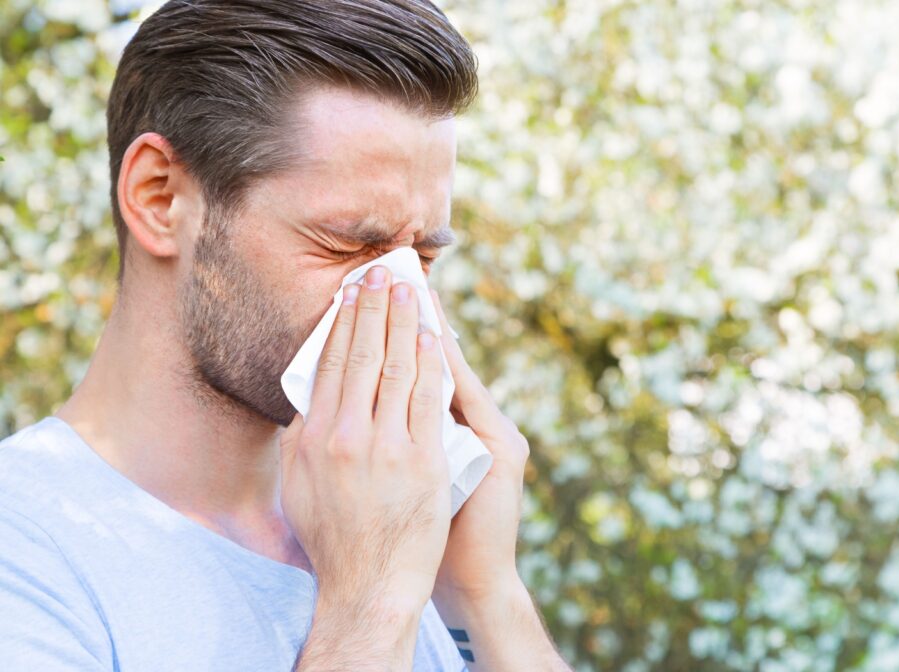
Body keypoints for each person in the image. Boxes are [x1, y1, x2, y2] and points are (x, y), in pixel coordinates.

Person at [0, 1, 572, 670]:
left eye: (421, 256)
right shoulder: (30, 553)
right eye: (346, 245)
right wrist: (368, 607)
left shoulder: (394, 523)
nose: (402, 302)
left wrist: (486, 596)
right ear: (160, 198)